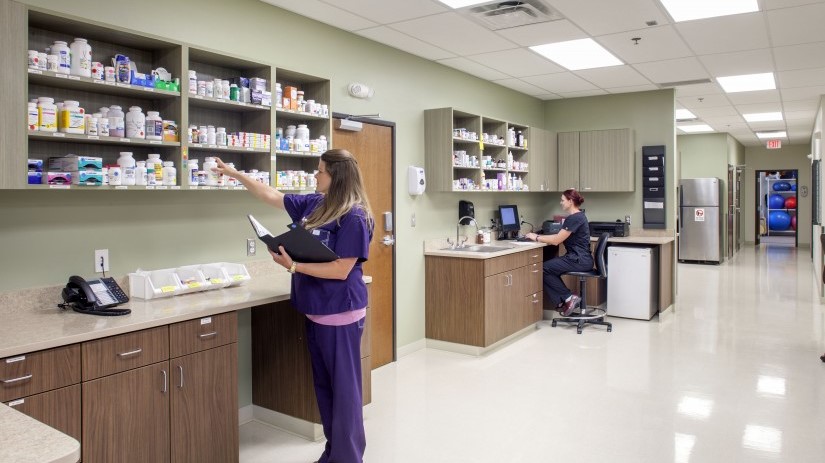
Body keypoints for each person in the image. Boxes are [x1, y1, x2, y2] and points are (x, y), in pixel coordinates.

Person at [214, 149, 373, 463]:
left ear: (336, 176)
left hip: (341, 313)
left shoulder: (353, 215)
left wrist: (293, 267)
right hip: (316, 312)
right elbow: (272, 195)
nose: (315, 175)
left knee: (345, 394)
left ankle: (349, 458)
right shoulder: (316, 204)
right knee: (325, 390)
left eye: (320, 171)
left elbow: (341, 270)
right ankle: (333, 453)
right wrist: (235, 174)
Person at [523, 189, 592, 316]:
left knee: (543, 268)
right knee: (548, 268)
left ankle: (568, 298)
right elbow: (559, 236)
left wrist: (536, 237)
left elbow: (556, 241)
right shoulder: (579, 216)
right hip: (580, 258)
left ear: (570, 201)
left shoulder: (574, 218)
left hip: (578, 260)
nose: (561, 203)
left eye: (562, 200)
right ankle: (564, 301)